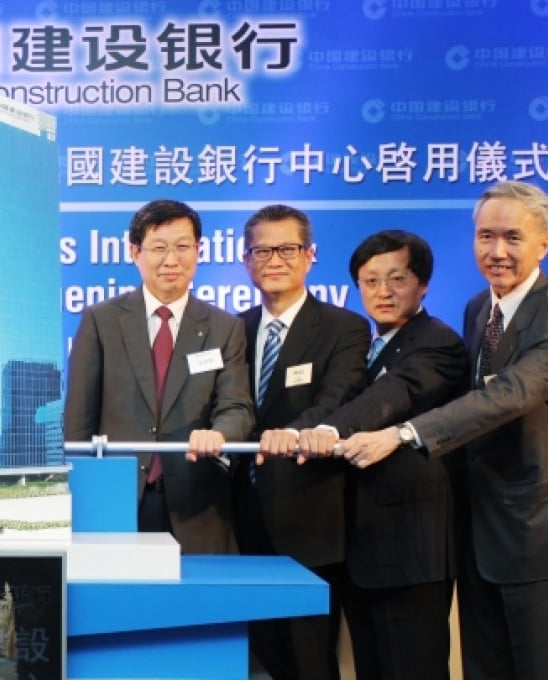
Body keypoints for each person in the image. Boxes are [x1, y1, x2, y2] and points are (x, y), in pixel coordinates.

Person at [338, 180, 548, 680]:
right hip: (474, 530)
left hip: (534, 531)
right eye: (485, 236)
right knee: (483, 667)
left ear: (544, 242)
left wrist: (404, 433)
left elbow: (510, 394)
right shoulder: (480, 308)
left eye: (512, 238)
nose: (496, 252)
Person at [190, 204, 370, 679]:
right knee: (259, 655)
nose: (274, 259)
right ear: (246, 260)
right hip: (237, 519)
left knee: (309, 658)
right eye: (261, 250)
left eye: (287, 248)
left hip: (308, 517)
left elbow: (337, 402)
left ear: (310, 255)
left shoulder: (344, 328)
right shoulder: (231, 331)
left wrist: (290, 435)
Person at [297, 230, 469, 679]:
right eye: (370, 281)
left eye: (397, 278)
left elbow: (395, 393)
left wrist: (328, 430)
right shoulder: (367, 347)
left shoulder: (438, 343)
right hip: (361, 554)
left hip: (410, 552)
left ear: (423, 284)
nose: (383, 292)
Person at [64, 198, 254, 554]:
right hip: (116, 499)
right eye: (159, 248)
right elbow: (78, 421)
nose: (172, 260)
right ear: (135, 252)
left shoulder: (226, 328)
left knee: (198, 607)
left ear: (199, 251)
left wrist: (219, 434)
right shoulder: (101, 321)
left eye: (183, 247)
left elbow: (237, 406)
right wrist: (81, 497)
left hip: (196, 499)